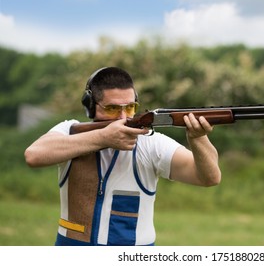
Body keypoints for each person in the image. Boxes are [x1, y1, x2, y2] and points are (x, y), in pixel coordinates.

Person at [24, 67, 221, 246]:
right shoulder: (71, 131)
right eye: (112, 109)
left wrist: (198, 138)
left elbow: (209, 177)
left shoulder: (152, 143)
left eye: (130, 107)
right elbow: (34, 155)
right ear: (91, 106)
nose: (123, 117)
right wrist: (103, 137)